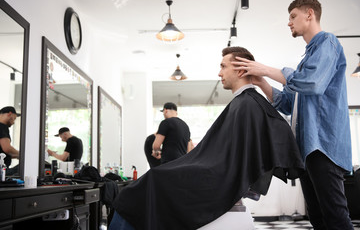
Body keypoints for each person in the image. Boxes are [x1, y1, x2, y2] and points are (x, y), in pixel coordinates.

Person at [109, 47, 304, 230]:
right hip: (214, 172)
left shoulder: (248, 104)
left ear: (240, 70)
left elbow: (232, 155)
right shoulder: (244, 103)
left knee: (145, 186)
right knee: (144, 187)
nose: (219, 73)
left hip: (217, 178)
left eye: (223, 66)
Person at [233, 0, 353, 230]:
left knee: (335, 218)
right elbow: (288, 104)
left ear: (310, 14)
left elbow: (313, 83)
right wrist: (262, 81)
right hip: (308, 150)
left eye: (293, 16)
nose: (289, 23)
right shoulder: (305, 62)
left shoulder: (327, 42)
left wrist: (267, 69)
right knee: (318, 219)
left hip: (324, 147)